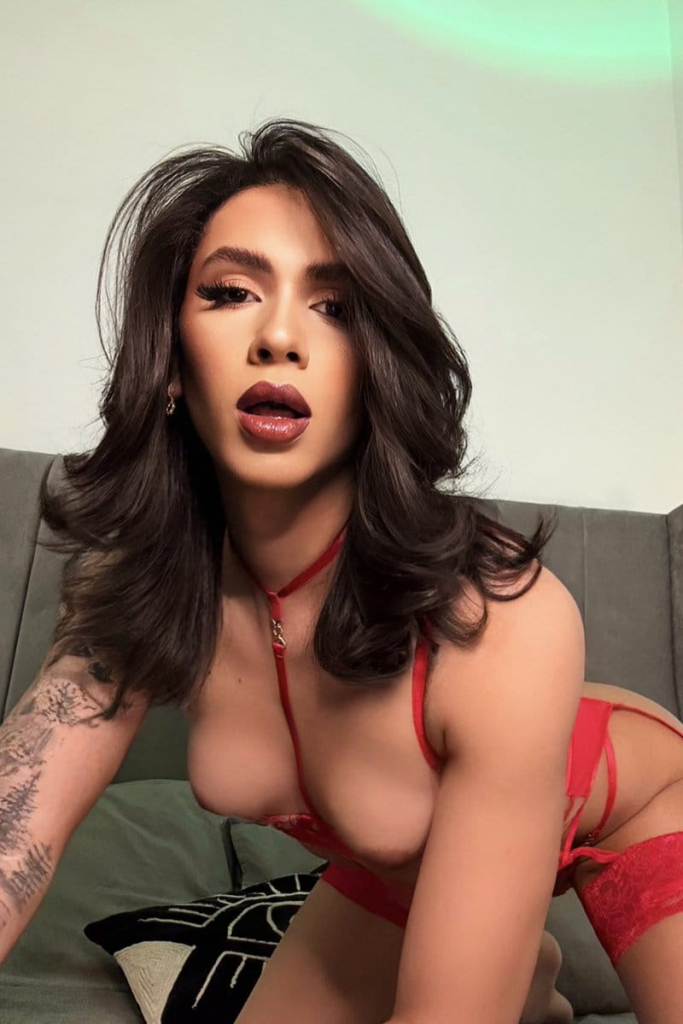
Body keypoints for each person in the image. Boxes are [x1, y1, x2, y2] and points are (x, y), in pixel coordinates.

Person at [1, 117, 681, 1023]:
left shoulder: (501, 618)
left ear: (377, 368)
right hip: (399, 867)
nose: (280, 335)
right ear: (169, 361)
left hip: (636, 810)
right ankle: (521, 974)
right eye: (231, 292)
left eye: (335, 307)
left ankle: (511, 967)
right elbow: (14, 839)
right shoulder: (137, 590)